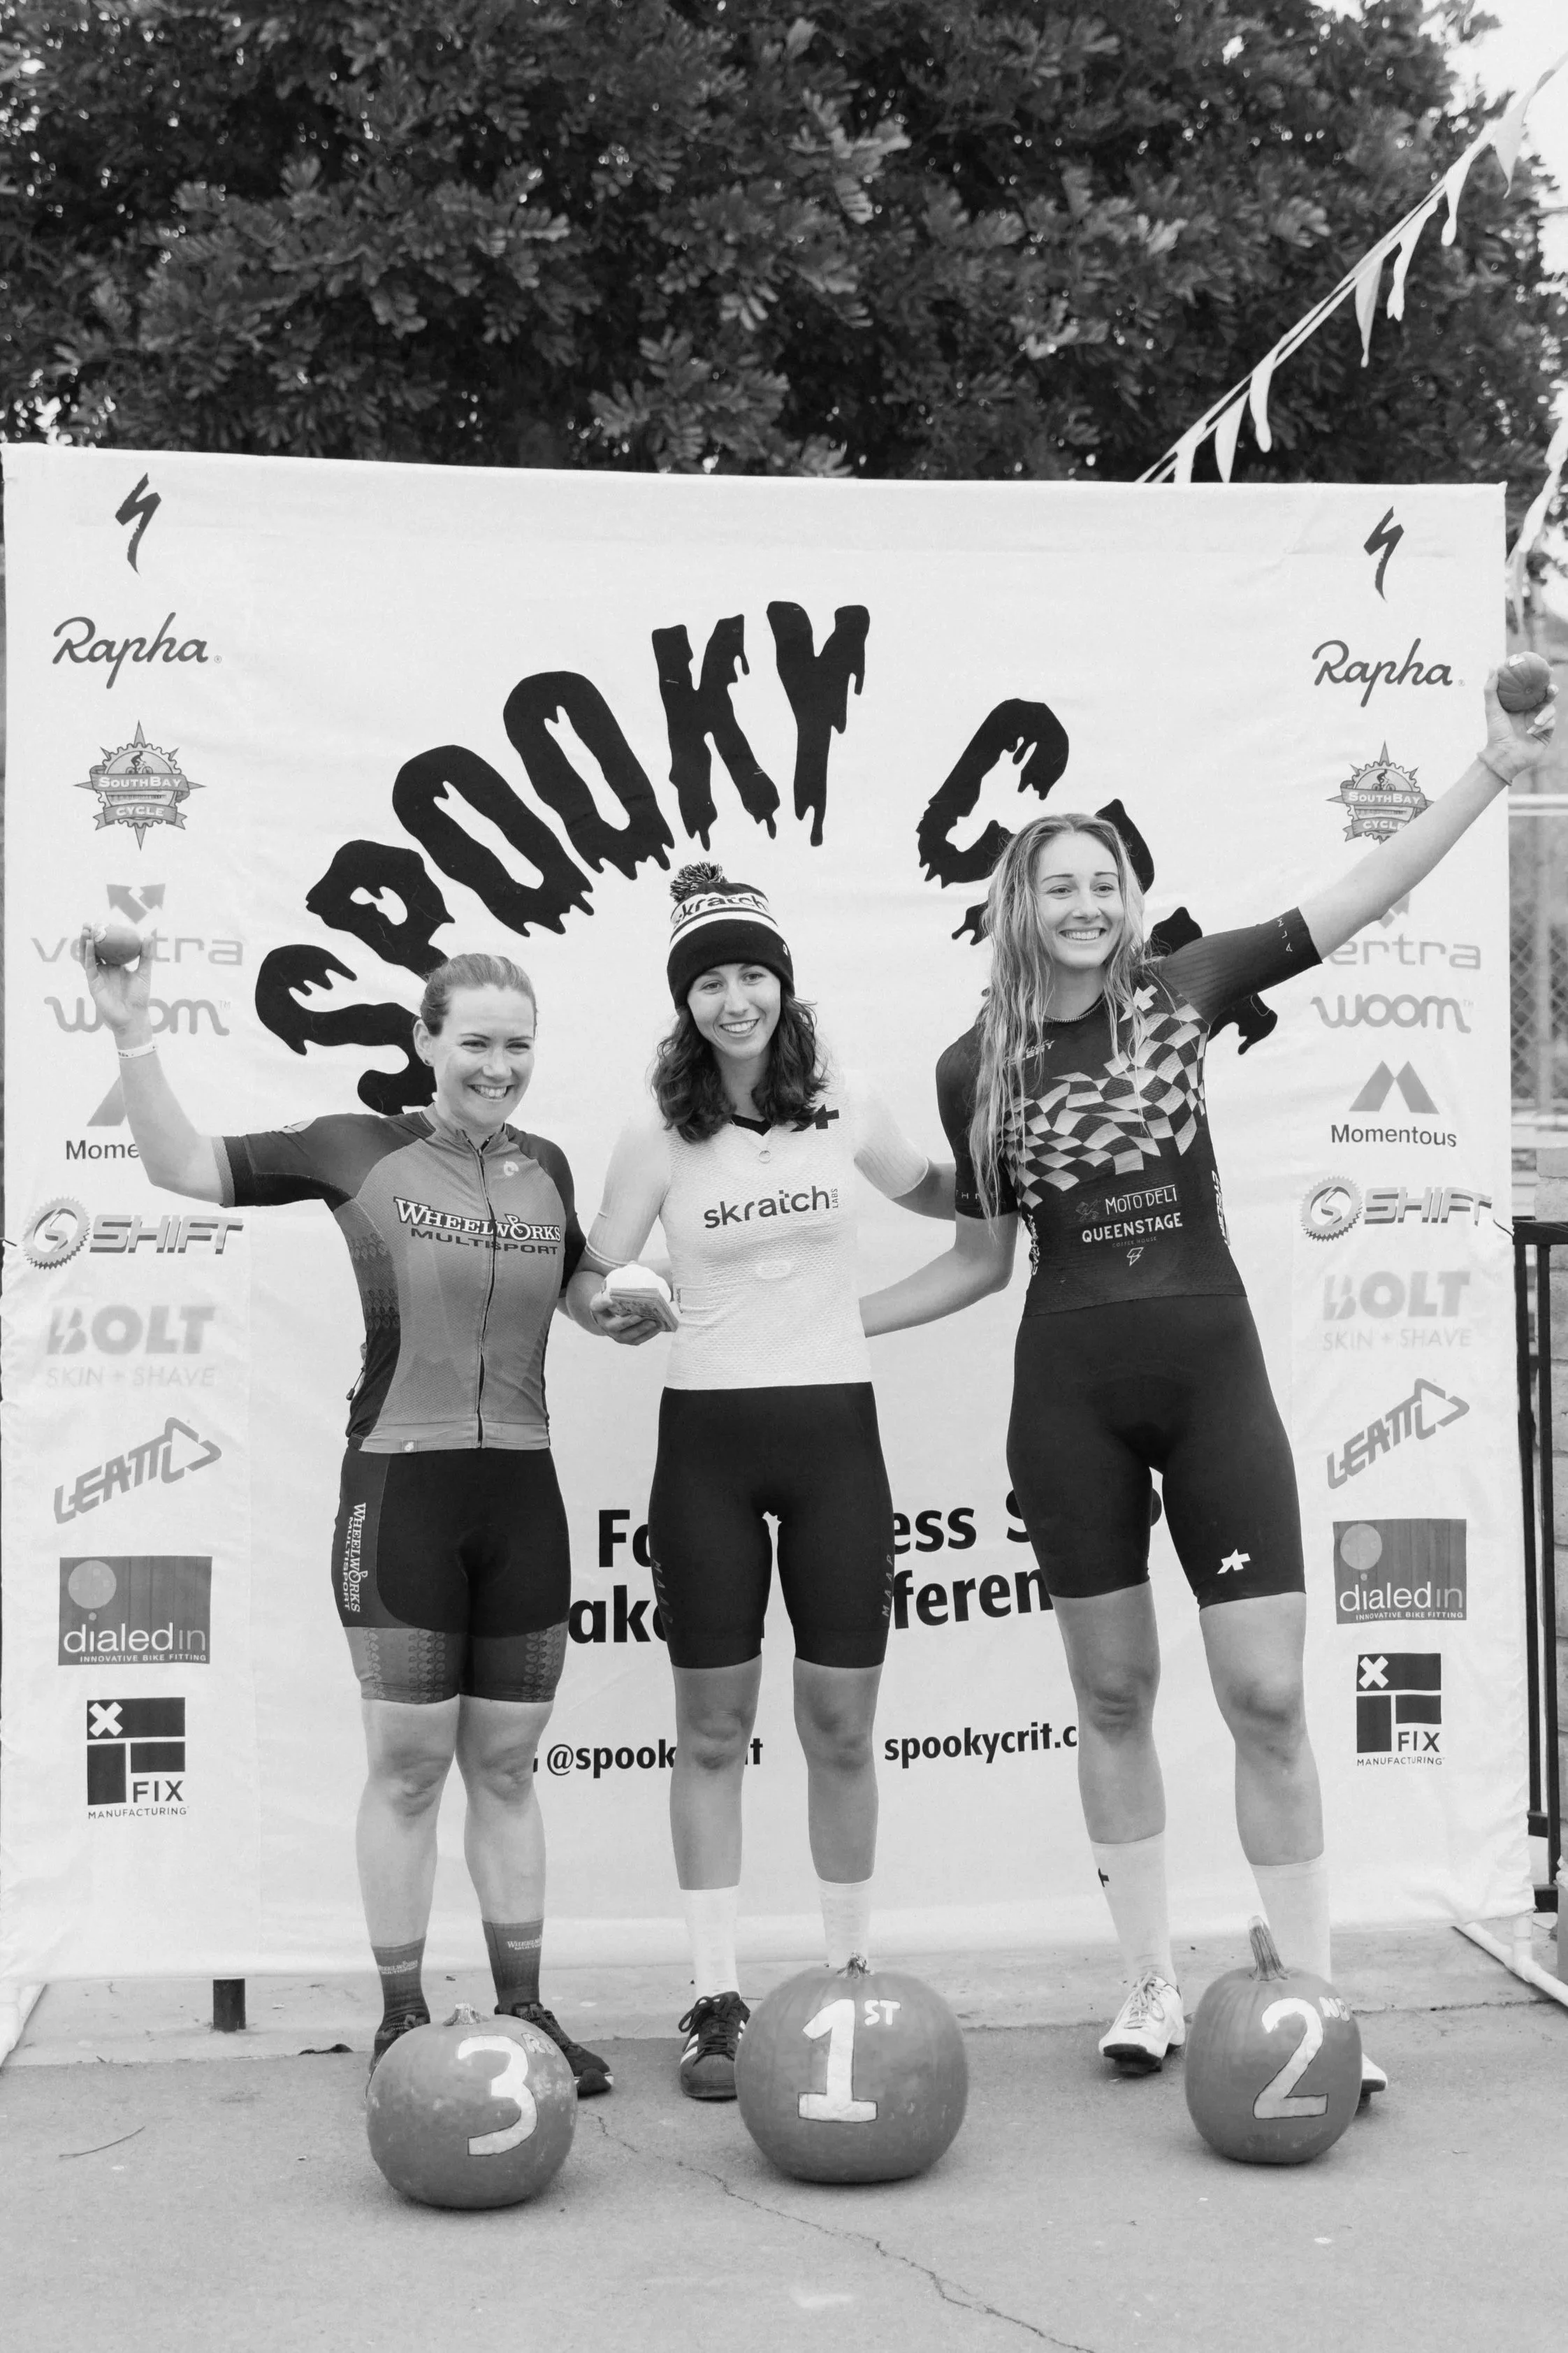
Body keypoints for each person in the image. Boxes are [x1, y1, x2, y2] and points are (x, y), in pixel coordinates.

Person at [862, 672, 1556, 2090]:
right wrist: (834, 1321)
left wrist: (1492, 769)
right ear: (1017, 906)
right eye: (1059, 886)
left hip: (1212, 1377)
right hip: (1069, 1396)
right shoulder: (972, 1064)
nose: (1085, 905)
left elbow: (1357, 896)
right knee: (1114, 1694)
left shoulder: (1184, 990)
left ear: (1129, 899)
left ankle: (1311, 1998)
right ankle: (1149, 1983)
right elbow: (980, 1260)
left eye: (1103, 883)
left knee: (1267, 1696)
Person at [82, 940, 613, 2094]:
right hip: (401, 1489)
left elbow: (579, 1286)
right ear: (426, 1041)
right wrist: (131, 1029)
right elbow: (181, 1165)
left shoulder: (550, 1166)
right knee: (412, 1768)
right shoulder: (356, 1148)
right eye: (476, 1042)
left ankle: (527, 2011)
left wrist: (617, 1304)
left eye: (518, 1045)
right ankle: (402, 2017)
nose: (499, 1065)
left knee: (507, 1765)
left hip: (523, 1491)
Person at [570, 864, 953, 2099]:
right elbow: (591, 1276)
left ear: (784, 984)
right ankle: (714, 1995)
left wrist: (1032, 1169)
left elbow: (943, 1192)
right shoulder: (657, 1131)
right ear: (685, 1002)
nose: (735, 999)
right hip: (709, 1445)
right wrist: (614, 1307)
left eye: (753, 974)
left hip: (836, 1435)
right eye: (711, 982)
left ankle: (847, 1975)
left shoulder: (845, 1101)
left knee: (840, 1727)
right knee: (713, 1731)